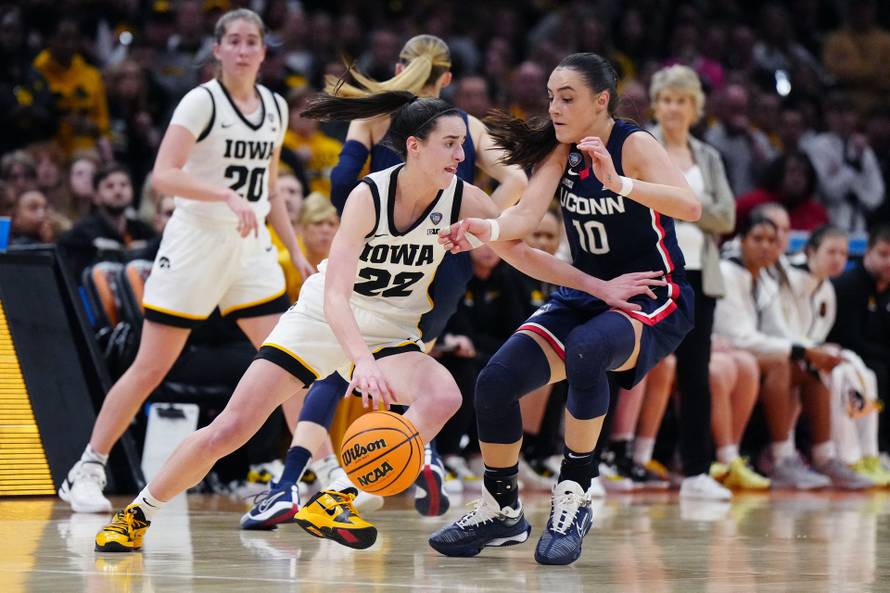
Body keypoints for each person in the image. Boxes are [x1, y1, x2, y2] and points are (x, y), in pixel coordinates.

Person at [93, 92, 660, 552]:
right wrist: (358, 362)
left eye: (463, 145)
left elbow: (521, 250)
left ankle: (338, 494)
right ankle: (138, 514)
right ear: (413, 147)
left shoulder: (462, 199)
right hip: (322, 318)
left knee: (442, 396)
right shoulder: (369, 196)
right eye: (449, 145)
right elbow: (336, 293)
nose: (460, 156)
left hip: (391, 329)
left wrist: (597, 285)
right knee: (230, 428)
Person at [242, 34, 530, 527]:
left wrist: (368, 209)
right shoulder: (460, 126)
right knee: (409, 375)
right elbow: (519, 182)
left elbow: (340, 183)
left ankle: (288, 484)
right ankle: (422, 455)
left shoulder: (374, 115)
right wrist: (480, 230)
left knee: (337, 368)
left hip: (381, 247)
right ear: (447, 80)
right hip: (442, 258)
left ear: (398, 66)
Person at [431, 52, 702, 565]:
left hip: (651, 291)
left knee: (586, 350)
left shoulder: (633, 144)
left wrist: (617, 182)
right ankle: (501, 508)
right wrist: (484, 231)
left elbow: (690, 207)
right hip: (589, 291)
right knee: (494, 382)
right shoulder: (561, 150)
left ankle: (573, 494)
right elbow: (525, 217)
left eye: (567, 98)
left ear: (601, 101)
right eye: (551, 97)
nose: (554, 107)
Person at [59, 9, 312, 514]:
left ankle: (316, 474)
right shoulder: (201, 102)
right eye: (233, 41)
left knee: (290, 363)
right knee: (151, 367)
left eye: (251, 42)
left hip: (249, 244)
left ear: (264, 52)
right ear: (216, 50)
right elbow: (162, 176)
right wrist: (224, 195)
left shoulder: (276, 107)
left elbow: (268, 190)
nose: (242, 50)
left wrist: (299, 256)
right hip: (196, 241)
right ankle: (87, 467)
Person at [713, 215, 871, 491]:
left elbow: (779, 331)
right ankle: (780, 457)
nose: (766, 247)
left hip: (753, 351)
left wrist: (809, 352)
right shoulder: (728, 272)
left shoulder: (764, 278)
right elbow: (740, 337)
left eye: (772, 241)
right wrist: (802, 349)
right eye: (758, 239)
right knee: (782, 364)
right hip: (727, 348)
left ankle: (825, 456)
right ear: (741, 241)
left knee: (812, 368)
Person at [648, 64, 738, 498]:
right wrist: (690, 206)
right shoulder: (642, 148)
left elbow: (726, 215)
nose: (674, 108)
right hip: (653, 269)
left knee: (695, 374)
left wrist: (683, 200)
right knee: (627, 364)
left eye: (682, 100)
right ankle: (602, 462)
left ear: (695, 107)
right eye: (667, 99)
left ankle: (698, 472)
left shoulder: (709, 157)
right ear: (656, 105)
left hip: (700, 276)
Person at [788, 225, 889, 486]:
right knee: (842, 374)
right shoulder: (794, 278)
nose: (838, 259)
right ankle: (840, 457)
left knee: (863, 374)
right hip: (790, 352)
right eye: (831, 252)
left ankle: (868, 454)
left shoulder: (825, 287)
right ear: (811, 251)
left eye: (843, 254)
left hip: (811, 350)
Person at [828, 224, 890, 454]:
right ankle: (874, 449)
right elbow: (849, 338)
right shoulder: (848, 285)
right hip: (847, 355)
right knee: (877, 374)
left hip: (876, 356)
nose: (889, 262)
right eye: (883, 254)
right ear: (868, 253)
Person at [57, 164, 156, 280]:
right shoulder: (81, 232)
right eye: (110, 186)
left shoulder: (142, 229)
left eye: (124, 185)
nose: (118, 191)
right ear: (96, 196)